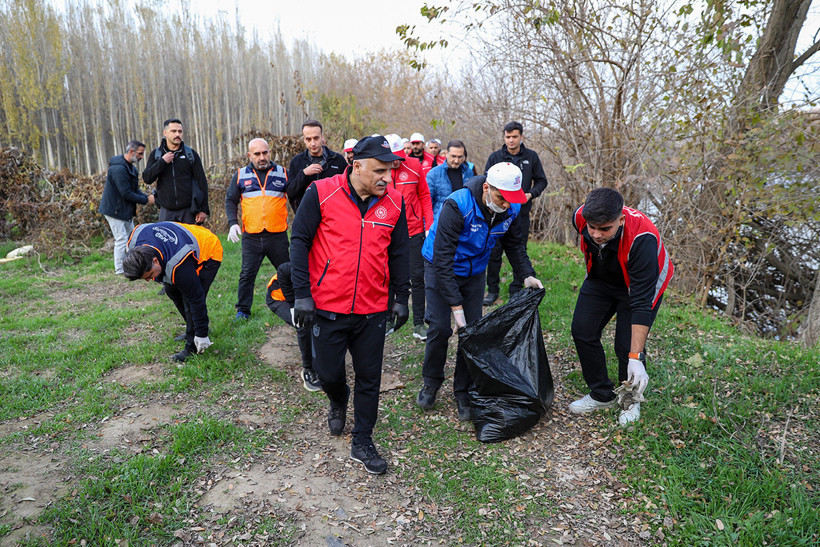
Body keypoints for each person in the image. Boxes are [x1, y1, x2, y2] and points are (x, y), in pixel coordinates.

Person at [290, 136, 410, 475]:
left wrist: (401, 297)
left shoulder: (395, 203)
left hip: (373, 309)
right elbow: (298, 241)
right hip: (328, 306)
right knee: (328, 374)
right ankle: (337, 399)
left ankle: (363, 440)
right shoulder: (321, 192)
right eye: (379, 171)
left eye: (390, 171)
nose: (387, 178)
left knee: (370, 377)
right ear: (356, 166)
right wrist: (302, 294)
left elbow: (400, 253)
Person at [418, 162, 543, 421]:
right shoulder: (457, 205)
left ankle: (462, 389)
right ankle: (431, 381)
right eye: (501, 198)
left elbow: (514, 244)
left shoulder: (512, 207)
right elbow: (443, 259)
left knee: (471, 332)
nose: (506, 204)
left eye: (511, 200)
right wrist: (456, 308)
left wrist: (527, 274)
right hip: (441, 265)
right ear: (487, 187)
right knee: (441, 328)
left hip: (475, 271)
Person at [568, 188, 673, 425]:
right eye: (592, 227)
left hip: (640, 286)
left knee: (626, 347)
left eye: (605, 229)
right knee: (583, 330)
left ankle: (629, 401)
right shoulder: (579, 218)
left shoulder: (643, 238)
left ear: (621, 220)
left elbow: (641, 304)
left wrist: (636, 356)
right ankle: (601, 394)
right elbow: (593, 243)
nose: (595, 234)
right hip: (603, 279)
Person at [123, 222, 222, 362]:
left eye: (149, 275)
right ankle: (191, 328)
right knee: (172, 291)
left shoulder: (178, 264)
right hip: (183, 242)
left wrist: (201, 334)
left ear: (156, 260)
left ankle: (192, 345)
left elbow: (196, 298)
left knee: (189, 300)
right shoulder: (134, 241)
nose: (148, 280)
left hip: (208, 250)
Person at [483, 121, 548, 305]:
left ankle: (516, 288)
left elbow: (542, 181)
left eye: (514, 137)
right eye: (507, 137)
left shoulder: (531, 157)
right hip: (496, 214)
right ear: (504, 137)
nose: (511, 140)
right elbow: (486, 181)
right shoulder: (496, 157)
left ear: (521, 137)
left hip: (520, 213)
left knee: (518, 249)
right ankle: (492, 290)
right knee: (494, 253)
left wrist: (530, 194)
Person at [225, 138, 290, 320]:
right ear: (249, 155)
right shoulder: (240, 175)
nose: (262, 157)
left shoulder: (283, 173)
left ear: (270, 152)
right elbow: (231, 200)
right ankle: (243, 310)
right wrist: (233, 223)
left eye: (265, 152)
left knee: (287, 270)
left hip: (277, 235)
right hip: (251, 237)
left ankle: (294, 302)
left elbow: (296, 199)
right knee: (247, 275)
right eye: (257, 154)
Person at [384, 134, 434, 340]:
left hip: (414, 230)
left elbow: (424, 195)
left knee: (417, 278)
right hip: (386, 230)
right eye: (391, 157)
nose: (396, 161)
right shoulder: (379, 168)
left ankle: (419, 324)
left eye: (398, 156)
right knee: (386, 276)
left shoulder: (414, 166)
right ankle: (386, 320)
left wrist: (429, 226)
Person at [99, 140, 154, 275]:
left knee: (132, 238)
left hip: (125, 210)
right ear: (131, 152)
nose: (141, 157)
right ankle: (119, 270)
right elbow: (126, 193)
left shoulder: (131, 169)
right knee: (122, 239)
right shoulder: (118, 169)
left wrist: (147, 197)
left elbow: (135, 190)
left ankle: (133, 265)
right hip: (114, 210)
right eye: (140, 154)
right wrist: (146, 200)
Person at [264, 262, 321, 392]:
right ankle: (308, 370)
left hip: (301, 296)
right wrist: (292, 307)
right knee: (303, 325)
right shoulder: (304, 264)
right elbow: (283, 270)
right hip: (279, 298)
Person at [142, 119, 209, 224]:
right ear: (165, 133)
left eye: (180, 131)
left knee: (190, 240)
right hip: (166, 211)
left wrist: (203, 209)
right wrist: (163, 162)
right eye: (174, 131)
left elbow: (202, 182)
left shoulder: (190, 154)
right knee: (166, 240)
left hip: (188, 211)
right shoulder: (156, 154)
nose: (178, 134)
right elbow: (147, 178)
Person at [286, 119, 347, 212]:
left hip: (333, 216)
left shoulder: (337, 160)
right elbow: (290, 192)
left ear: (322, 137)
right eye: (308, 139)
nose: (313, 143)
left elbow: (348, 188)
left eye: (316, 138)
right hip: (306, 217)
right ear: (304, 140)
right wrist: (304, 173)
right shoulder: (296, 161)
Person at [426, 140, 473, 217]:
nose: (456, 161)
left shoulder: (468, 173)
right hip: (441, 219)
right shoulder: (434, 174)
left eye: (460, 157)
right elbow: (428, 201)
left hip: (463, 218)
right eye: (453, 156)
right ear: (447, 154)